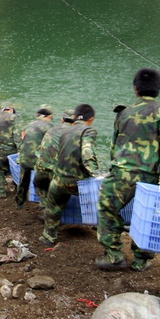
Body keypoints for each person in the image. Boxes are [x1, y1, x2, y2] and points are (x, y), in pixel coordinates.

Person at [96, 68, 160, 271]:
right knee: (147, 214)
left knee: (107, 209)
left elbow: (114, 145)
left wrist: (114, 166)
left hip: (122, 172)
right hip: (151, 175)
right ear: (158, 90)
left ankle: (114, 254)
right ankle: (141, 260)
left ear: (135, 89)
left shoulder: (124, 112)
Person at [39, 103, 99, 246]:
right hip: (78, 182)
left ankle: (48, 237)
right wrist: (95, 174)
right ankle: (100, 229)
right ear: (91, 119)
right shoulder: (88, 131)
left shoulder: (65, 131)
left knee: (53, 205)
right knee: (103, 201)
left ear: (74, 117)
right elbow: (87, 153)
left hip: (59, 178)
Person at [33, 109, 75, 211]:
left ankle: (43, 204)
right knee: (62, 195)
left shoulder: (51, 130)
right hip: (56, 174)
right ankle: (52, 212)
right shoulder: (75, 134)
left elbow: (40, 150)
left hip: (40, 170)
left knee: (40, 186)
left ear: (62, 120)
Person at [16, 105, 54, 209]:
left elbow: (21, 139)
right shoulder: (48, 127)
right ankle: (43, 204)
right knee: (40, 182)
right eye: (50, 118)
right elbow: (51, 145)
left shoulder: (29, 125)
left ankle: (19, 203)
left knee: (23, 181)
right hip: (37, 159)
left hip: (24, 157)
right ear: (47, 117)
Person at [0, 102, 20, 198]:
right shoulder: (15, 119)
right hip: (12, 150)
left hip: (1, 150)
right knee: (15, 169)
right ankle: (17, 190)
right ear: (11, 110)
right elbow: (17, 136)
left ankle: (1, 191)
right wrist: (19, 150)